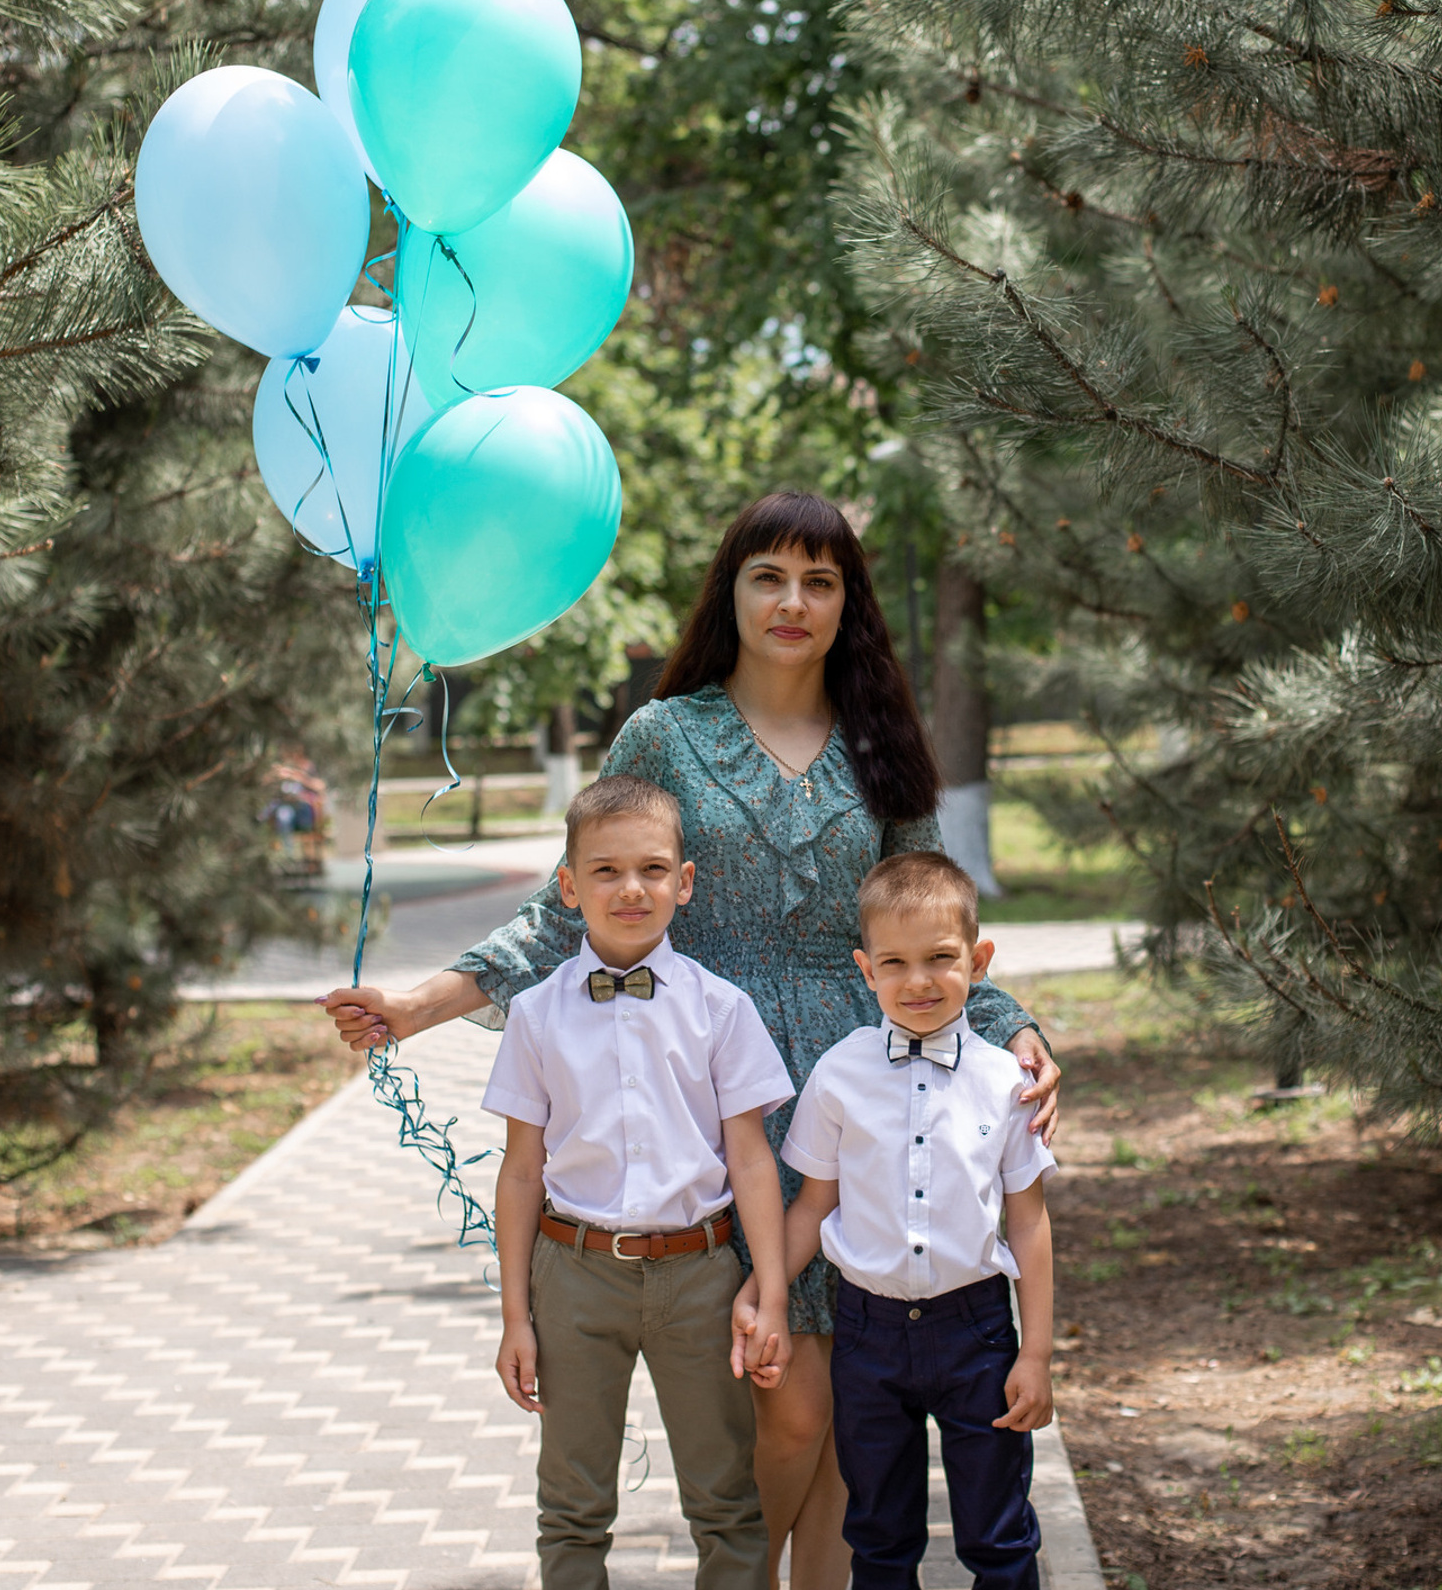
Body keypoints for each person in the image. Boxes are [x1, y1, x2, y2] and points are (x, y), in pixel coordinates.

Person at [321, 490, 1062, 1589]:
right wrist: (421, 1005)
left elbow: (928, 911)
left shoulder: (879, 741)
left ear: (848, 600)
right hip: (714, 1103)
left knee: (851, 1417)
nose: (793, 601)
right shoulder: (666, 733)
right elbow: (565, 907)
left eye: (821, 579)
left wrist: (1019, 1027)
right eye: (770, 576)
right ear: (734, 590)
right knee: (788, 1404)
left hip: (865, 1094)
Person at [486, 773, 794, 1590]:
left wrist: (769, 1288)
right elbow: (520, 1174)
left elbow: (752, 1157)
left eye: (654, 869)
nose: (632, 889)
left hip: (701, 1275)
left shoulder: (722, 1009)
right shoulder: (536, 1014)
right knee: (573, 1505)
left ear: (684, 882)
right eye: (606, 871)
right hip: (575, 1274)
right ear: (569, 886)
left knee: (727, 1500)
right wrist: (516, 1316)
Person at [737, 851, 1055, 1590]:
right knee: (879, 1535)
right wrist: (764, 1288)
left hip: (977, 1333)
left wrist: (1034, 1355)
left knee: (999, 1532)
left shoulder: (1005, 1082)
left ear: (978, 960)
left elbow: (1029, 1222)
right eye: (895, 963)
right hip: (869, 1336)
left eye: (941, 959)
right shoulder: (839, 1074)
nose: (918, 982)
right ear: (865, 968)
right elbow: (813, 1204)